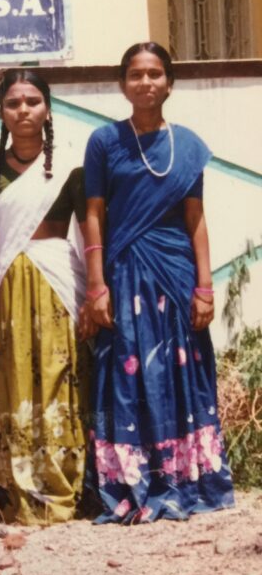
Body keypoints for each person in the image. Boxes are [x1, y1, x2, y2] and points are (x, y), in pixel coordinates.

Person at [82, 42, 234, 523]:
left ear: (170, 82)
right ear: (122, 83)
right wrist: (95, 285)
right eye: (135, 74)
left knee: (179, 373)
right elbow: (92, 215)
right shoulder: (104, 141)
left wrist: (205, 286)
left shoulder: (186, 145)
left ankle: (185, 478)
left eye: (154, 74)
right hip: (124, 276)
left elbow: (196, 220)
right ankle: (130, 483)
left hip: (175, 274)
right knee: (128, 374)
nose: (145, 82)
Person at [0, 69, 88, 525]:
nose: (23, 110)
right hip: (8, 285)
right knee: (14, 383)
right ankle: (14, 494)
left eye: (33, 101)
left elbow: (92, 230)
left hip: (58, 282)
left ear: (48, 107)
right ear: (1, 112)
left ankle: (62, 489)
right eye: (13, 103)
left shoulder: (72, 166)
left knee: (60, 381)